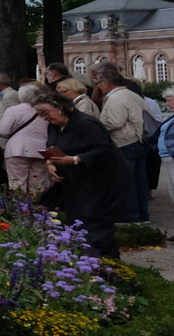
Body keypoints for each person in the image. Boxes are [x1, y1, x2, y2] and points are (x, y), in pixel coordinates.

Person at [33, 93, 133, 259]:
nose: (43, 117)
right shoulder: (54, 126)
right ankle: (84, 260)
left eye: (45, 112)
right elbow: (51, 145)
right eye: (40, 114)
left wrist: (74, 159)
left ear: (60, 108)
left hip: (102, 181)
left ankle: (105, 264)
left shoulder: (86, 123)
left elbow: (104, 150)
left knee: (95, 222)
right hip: (76, 183)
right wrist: (50, 163)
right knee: (76, 220)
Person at [91, 64, 149, 223]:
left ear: (106, 83)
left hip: (125, 142)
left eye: (99, 83)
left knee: (126, 182)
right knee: (140, 180)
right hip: (139, 140)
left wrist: (98, 126)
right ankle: (143, 215)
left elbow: (115, 121)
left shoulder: (116, 97)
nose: (98, 86)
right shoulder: (133, 94)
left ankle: (131, 216)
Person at [0, 85, 57, 196]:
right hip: (41, 150)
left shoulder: (14, 110)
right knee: (38, 184)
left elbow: (2, 131)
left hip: (17, 150)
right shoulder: (46, 110)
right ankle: (39, 208)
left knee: (17, 183)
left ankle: (21, 210)